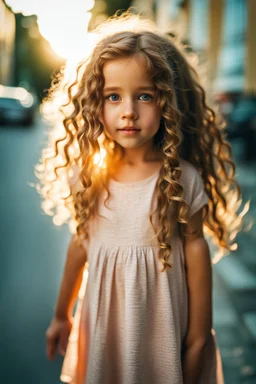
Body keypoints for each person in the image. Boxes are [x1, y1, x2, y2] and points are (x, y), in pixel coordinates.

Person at [37, 11, 248, 384]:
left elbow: (196, 251)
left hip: (164, 343)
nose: (129, 112)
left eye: (145, 96)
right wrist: (60, 314)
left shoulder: (181, 181)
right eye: (113, 97)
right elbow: (80, 245)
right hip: (106, 337)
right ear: (93, 104)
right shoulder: (91, 177)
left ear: (167, 101)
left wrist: (197, 344)